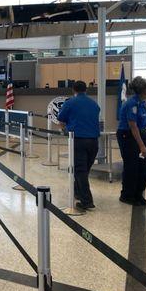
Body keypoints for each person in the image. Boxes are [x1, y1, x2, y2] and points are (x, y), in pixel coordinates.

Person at [57, 81, 100, 210]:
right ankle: (78, 192)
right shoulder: (94, 104)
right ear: (86, 89)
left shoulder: (70, 103)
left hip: (78, 140)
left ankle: (87, 201)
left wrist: (65, 130)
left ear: (73, 90)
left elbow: (61, 119)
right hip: (93, 141)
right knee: (84, 170)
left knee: (80, 171)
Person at [116, 76, 146, 206]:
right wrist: (142, 146)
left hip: (140, 133)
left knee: (145, 166)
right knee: (132, 166)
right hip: (128, 136)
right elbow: (133, 126)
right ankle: (127, 195)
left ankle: (138, 193)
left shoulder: (142, 102)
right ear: (142, 90)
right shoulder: (131, 103)